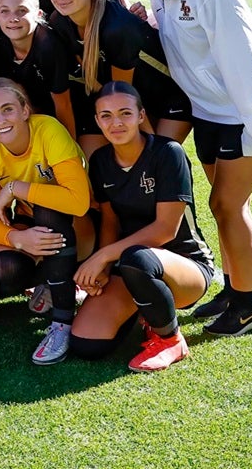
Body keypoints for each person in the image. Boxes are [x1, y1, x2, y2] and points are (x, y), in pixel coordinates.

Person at [134, 0, 252, 337]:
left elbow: (244, 58)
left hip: (243, 112)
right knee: (227, 210)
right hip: (209, 112)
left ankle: (249, 305)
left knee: (226, 204)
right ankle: (234, 290)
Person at [71, 82, 215, 371]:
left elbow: (165, 230)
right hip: (129, 265)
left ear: (140, 116)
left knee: (137, 257)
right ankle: (144, 309)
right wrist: (104, 268)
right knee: (86, 343)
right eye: (107, 115)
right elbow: (110, 220)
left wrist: (102, 256)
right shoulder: (100, 161)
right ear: (98, 121)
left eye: (125, 113)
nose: (116, 123)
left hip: (183, 266)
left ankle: (170, 339)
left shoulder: (167, 153)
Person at [0, 78, 91, 365]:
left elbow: (79, 201)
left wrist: (16, 187)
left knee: (49, 211)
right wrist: (18, 239)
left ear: (25, 110)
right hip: (33, 226)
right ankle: (52, 281)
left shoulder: (48, 129)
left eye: (7, 109)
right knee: (5, 266)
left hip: (82, 224)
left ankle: (62, 322)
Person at [47, 0, 191, 158]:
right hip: (122, 99)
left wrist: (148, 152)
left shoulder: (118, 28)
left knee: (153, 160)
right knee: (97, 164)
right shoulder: (60, 22)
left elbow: (125, 97)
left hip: (168, 100)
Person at [0, 0, 76, 139]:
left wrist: (70, 147)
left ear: (38, 14)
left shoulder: (48, 47)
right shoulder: (0, 45)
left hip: (71, 115)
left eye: (22, 10)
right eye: (5, 11)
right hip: (31, 117)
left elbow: (63, 105)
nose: (13, 18)